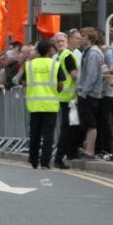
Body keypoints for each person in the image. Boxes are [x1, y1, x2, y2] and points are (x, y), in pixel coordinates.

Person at [23, 39, 64, 169]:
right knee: (48, 135)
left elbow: (24, 82)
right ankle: (45, 162)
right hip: (50, 104)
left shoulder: (30, 65)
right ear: (49, 50)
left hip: (34, 104)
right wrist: (55, 90)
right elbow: (61, 84)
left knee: (34, 134)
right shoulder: (55, 64)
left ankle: (33, 160)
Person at [76, 27, 105, 159]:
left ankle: (90, 151)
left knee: (91, 123)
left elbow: (92, 75)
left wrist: (84, 92)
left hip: (90, 94)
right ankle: (88, 148)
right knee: (88, 123)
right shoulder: (87, 52)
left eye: (82, 35)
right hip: (86, 92)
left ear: (89, 37)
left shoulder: (93, 53)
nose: (80, 38)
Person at [52, 32, 79, 169]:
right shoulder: (67, 55)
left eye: (62, 41)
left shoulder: (58, 57)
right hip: (70, 98)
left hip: (64, 97)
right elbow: (74, 74)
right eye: (58, 42)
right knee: (67, 128)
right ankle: (60, 157)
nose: (61, 43)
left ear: (67, 41)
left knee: (71, 126)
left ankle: (69, 153)